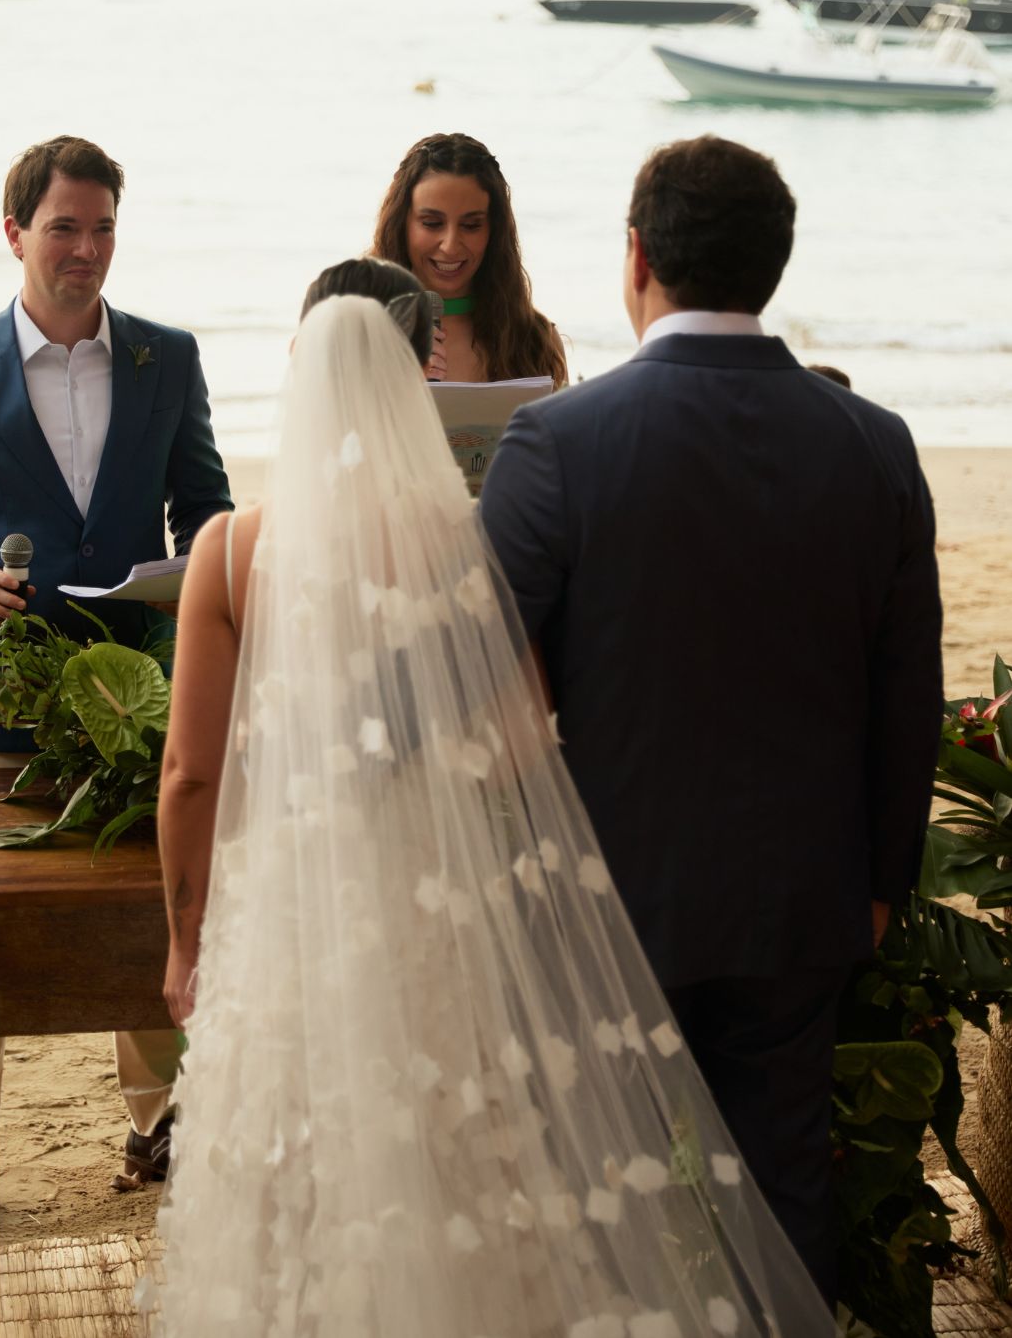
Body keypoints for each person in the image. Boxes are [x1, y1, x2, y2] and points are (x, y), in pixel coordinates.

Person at [146, 255, 834, 1335]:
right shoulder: (461, 537)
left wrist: (185, 938)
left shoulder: (229, 549)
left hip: (288, 908)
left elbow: (189, 774)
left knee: (295, 1151)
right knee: (454, 1148)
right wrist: (418, 766)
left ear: (296, 359)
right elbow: (520, 736)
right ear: (418, 372)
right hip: (432, 903)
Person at [479, 133, 943, 1307]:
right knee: (783, 1191)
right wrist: (879, 879)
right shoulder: (873, 443)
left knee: (604, 1194)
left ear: (636, 256)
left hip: (612, 892)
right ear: (772, 263)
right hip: (805, 888)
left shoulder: (558, 441)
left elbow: (475, 666)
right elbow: (907, 690)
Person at [0, 134, 231, 1241]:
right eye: (64, 227)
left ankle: (158, 1121)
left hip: (142, 693)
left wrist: (191, 577)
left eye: (103, 227)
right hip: (3, 698)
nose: (86, 249)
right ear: (15, 232)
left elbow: (206, 506)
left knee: (149, 905)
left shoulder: (168, 357)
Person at [371, 132, 568, 386]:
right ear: (401, 224)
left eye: (471, 225)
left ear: (494, 232)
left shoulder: (535, 341)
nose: (450, 246)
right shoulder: (352, 330)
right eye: (431, 223)